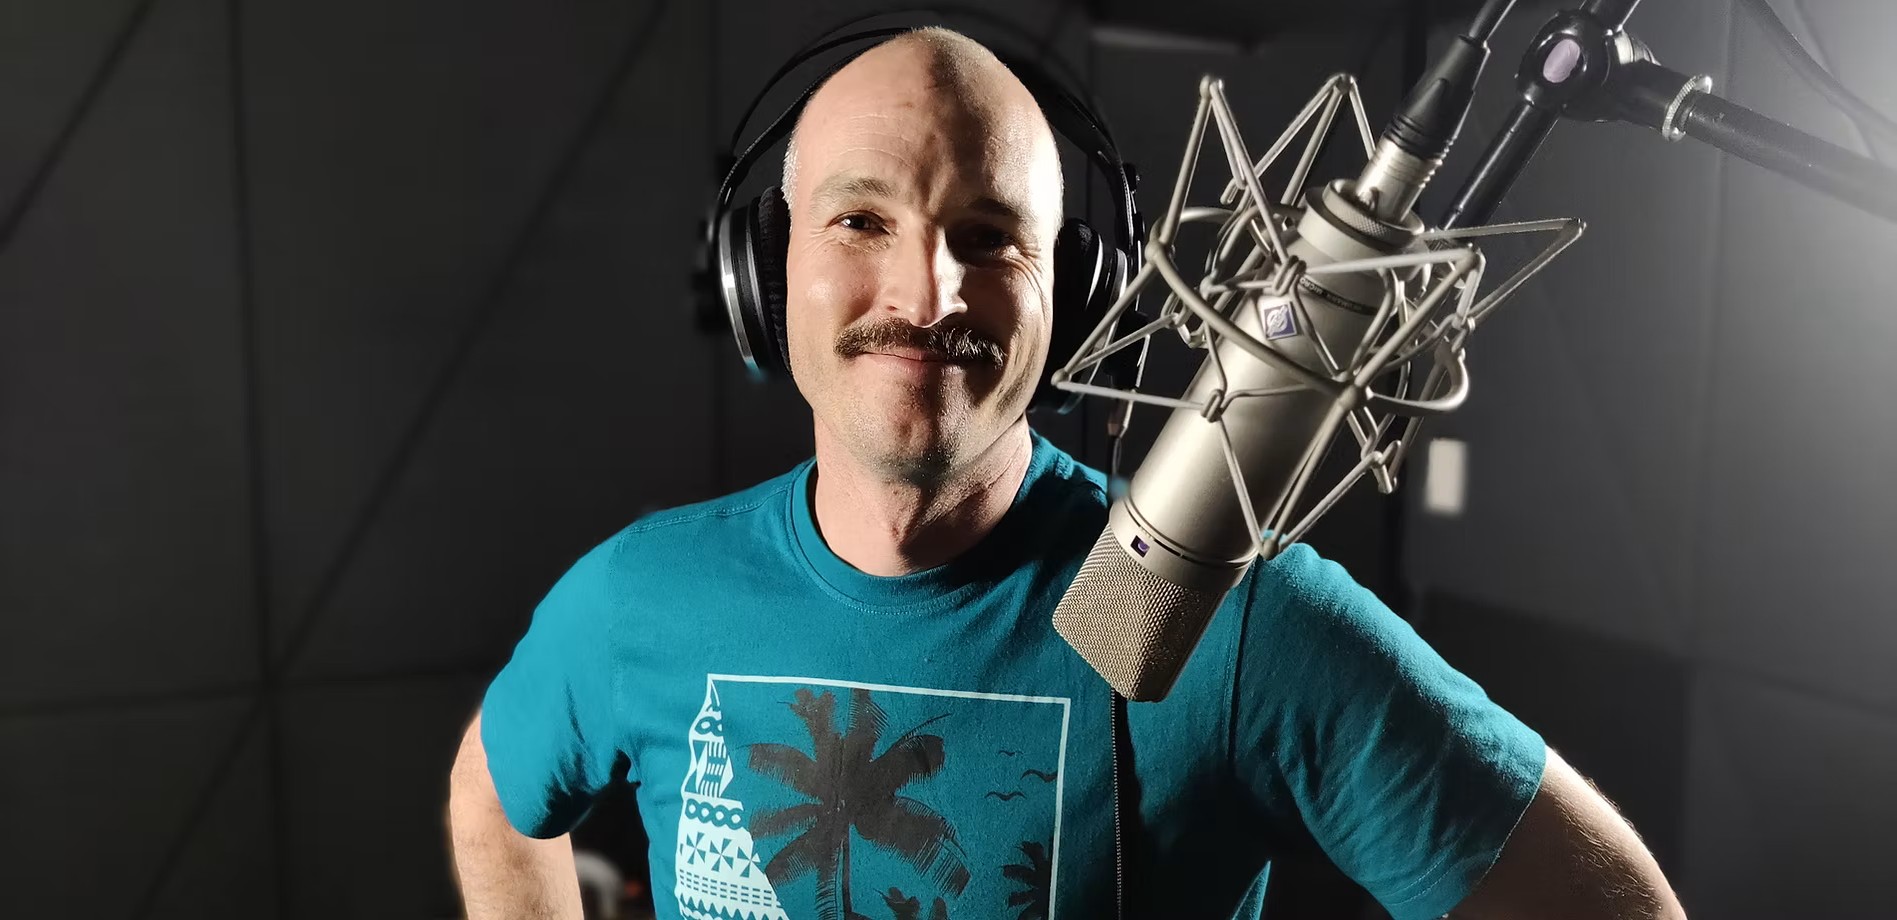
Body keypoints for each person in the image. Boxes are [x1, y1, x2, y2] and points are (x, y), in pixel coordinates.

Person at [449, 27, 1686, 920]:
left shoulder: (1229, 621)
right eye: (860, 219)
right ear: (762, 269)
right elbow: (495, 796)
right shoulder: (637, 595)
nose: (926, 291)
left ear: (1075, 294)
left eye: (987, 236)